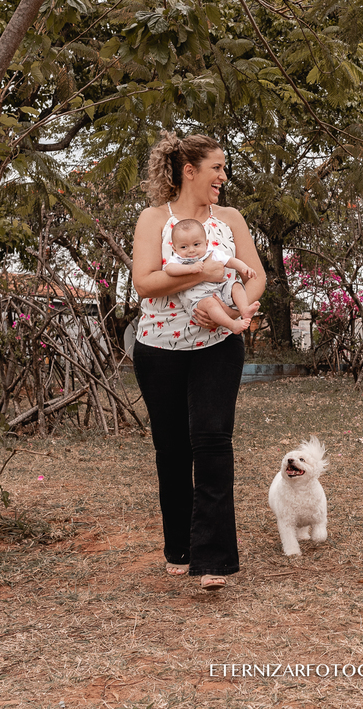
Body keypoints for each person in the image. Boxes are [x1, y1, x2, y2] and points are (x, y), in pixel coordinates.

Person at [131, 130, 266, 591]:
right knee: (171, 449)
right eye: (217, 168)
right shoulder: (154, 219)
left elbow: (255, 275)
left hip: (218, 347)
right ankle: (180, 546)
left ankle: (215, 559)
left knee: (212, 441)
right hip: (158, 349)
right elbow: (145, 282)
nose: (223, 177)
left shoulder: (230, 219)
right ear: (189, 171)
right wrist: (202, 273)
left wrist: (228, 307)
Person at [164, 217, 259, 335]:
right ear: (175, 249)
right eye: (184, 247)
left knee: (236, 285)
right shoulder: (178, 259)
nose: (191, 250)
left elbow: (230, 261)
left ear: (206, 243)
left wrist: (244, 268)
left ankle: (244, 310)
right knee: (210, 303)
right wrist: (190, 268)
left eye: (196, 244)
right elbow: (169, 269)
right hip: (198, 300)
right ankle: (232, 325)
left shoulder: (212, 253)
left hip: (220, 289)